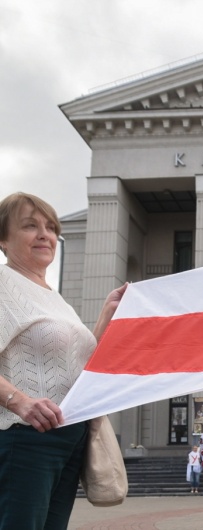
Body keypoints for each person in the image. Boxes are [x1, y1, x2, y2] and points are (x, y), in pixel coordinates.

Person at [0, 193, 127, 530]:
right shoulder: (3, 285)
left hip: (69, 438)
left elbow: (78, 367)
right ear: (3, 240)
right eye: (30, 226)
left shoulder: (53, 298)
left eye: (50, 227)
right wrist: (19, 401)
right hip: (25, 437)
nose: (45, 234)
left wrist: (106, 316)